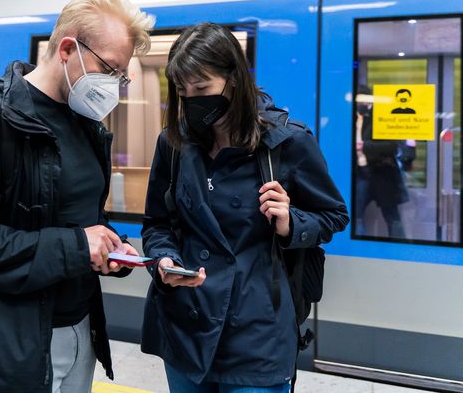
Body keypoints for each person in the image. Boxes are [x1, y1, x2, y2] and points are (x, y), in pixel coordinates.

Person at [0, 0, 154, 393]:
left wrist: (109, 248)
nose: (114, 87)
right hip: (7, 349)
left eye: (121, 77)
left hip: (78, 331)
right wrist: (76, 246)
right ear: (67, 49)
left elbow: (79, 221)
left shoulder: (86, 127)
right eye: (110, 70)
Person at [140, 23, 349, 392]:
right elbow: (157, 223)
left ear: (233, 79)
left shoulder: (287, 142)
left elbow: (334, 215)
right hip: (187, 326)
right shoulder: (174, 143)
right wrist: (163, 260)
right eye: (182, 90)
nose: (191, 99)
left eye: (202, 88)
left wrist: (289, 222)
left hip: (258, 337)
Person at [355, 85, 408, 238]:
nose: (362, 105)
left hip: (381, 173)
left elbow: (392, 145)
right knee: (355, 215)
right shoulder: (347, 120)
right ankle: (356, 253)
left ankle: (400, 251)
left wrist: (365, 146)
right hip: (359, 174)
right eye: (359, 101)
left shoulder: (381, 118)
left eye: (365, 101)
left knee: (392, 216)